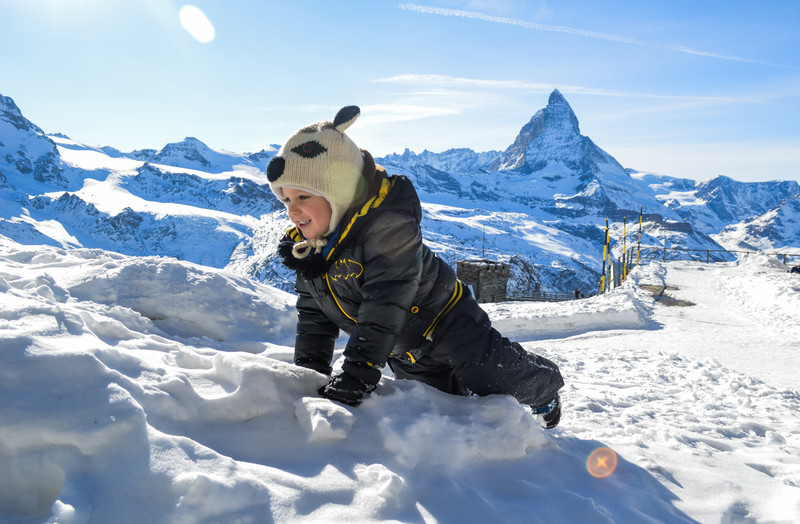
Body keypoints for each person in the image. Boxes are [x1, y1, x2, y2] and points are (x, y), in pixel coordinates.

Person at [267, 106, 564, 428]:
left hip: (449, 324)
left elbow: (385, 304)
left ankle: (544, 387)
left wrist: (358, 373)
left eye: (304, 197)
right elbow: (314, 318)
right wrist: (309, 374)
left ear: (337, 193)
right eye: (286, 200)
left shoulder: (388, 232)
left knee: (491, 373)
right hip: (403, 348)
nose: (293, 211)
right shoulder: (310, 252)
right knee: (447, 410)